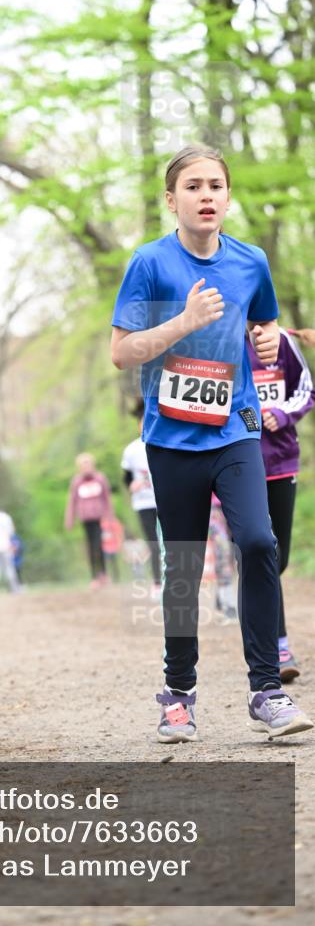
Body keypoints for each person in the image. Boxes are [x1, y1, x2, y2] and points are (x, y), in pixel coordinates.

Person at [110, 143, 312, 743]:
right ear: (171, 200)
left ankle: (267, 690)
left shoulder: (251, 261)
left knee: (258, 540)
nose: (206, 196)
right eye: (193, 186)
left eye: (216, 186)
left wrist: (269, 340)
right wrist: (184, 322)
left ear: (228, 196)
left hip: (236, 429)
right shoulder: (150, 263)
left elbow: (265, 320)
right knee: (184, 564)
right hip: (172, 440)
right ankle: (178, 695)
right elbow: (121, 353)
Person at [247, 327, 314, 682]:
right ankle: (278, 645)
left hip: (282, 461)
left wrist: (281, 414)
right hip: (239, 464)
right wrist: (252, 419)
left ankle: (268, 635)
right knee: (263, 553)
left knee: (279, 557)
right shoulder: (222, 340)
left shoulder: (281, 340)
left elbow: (306, 389)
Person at [120, 401, 161, 597]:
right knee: (153, 542)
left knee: (169, 541)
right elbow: (126, 477)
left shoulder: (164, 443)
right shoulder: (131, 450)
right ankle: (157, 583)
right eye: (142, 421)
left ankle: (175, 582)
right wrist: (131, 486)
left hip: (164, 499)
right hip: (143, 502)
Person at [64, 453, 113, 590]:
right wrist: (70, 519)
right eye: (83, 464)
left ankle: (103, 573)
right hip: (85, 519)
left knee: (99, 546)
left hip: (99, 518)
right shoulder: (77, 481)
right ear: (79, 467)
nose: (86, 467)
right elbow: (72, 501)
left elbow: (107, 499)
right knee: (90, 547)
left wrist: (110, 518)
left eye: (88, 463)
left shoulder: (100, 478)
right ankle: (94, 577)